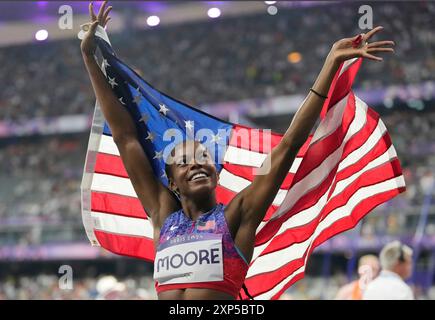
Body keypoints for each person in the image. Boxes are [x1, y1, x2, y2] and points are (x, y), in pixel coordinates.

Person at [80, 1, 395, 300]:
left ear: (216, 174)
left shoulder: (237, 216)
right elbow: (125, 138)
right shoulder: (163, 214)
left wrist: (330, 66)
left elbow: (288, 146)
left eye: (204, 158)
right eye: (185, 162)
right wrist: (91, 59)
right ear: (173, 183)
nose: (197, 164)